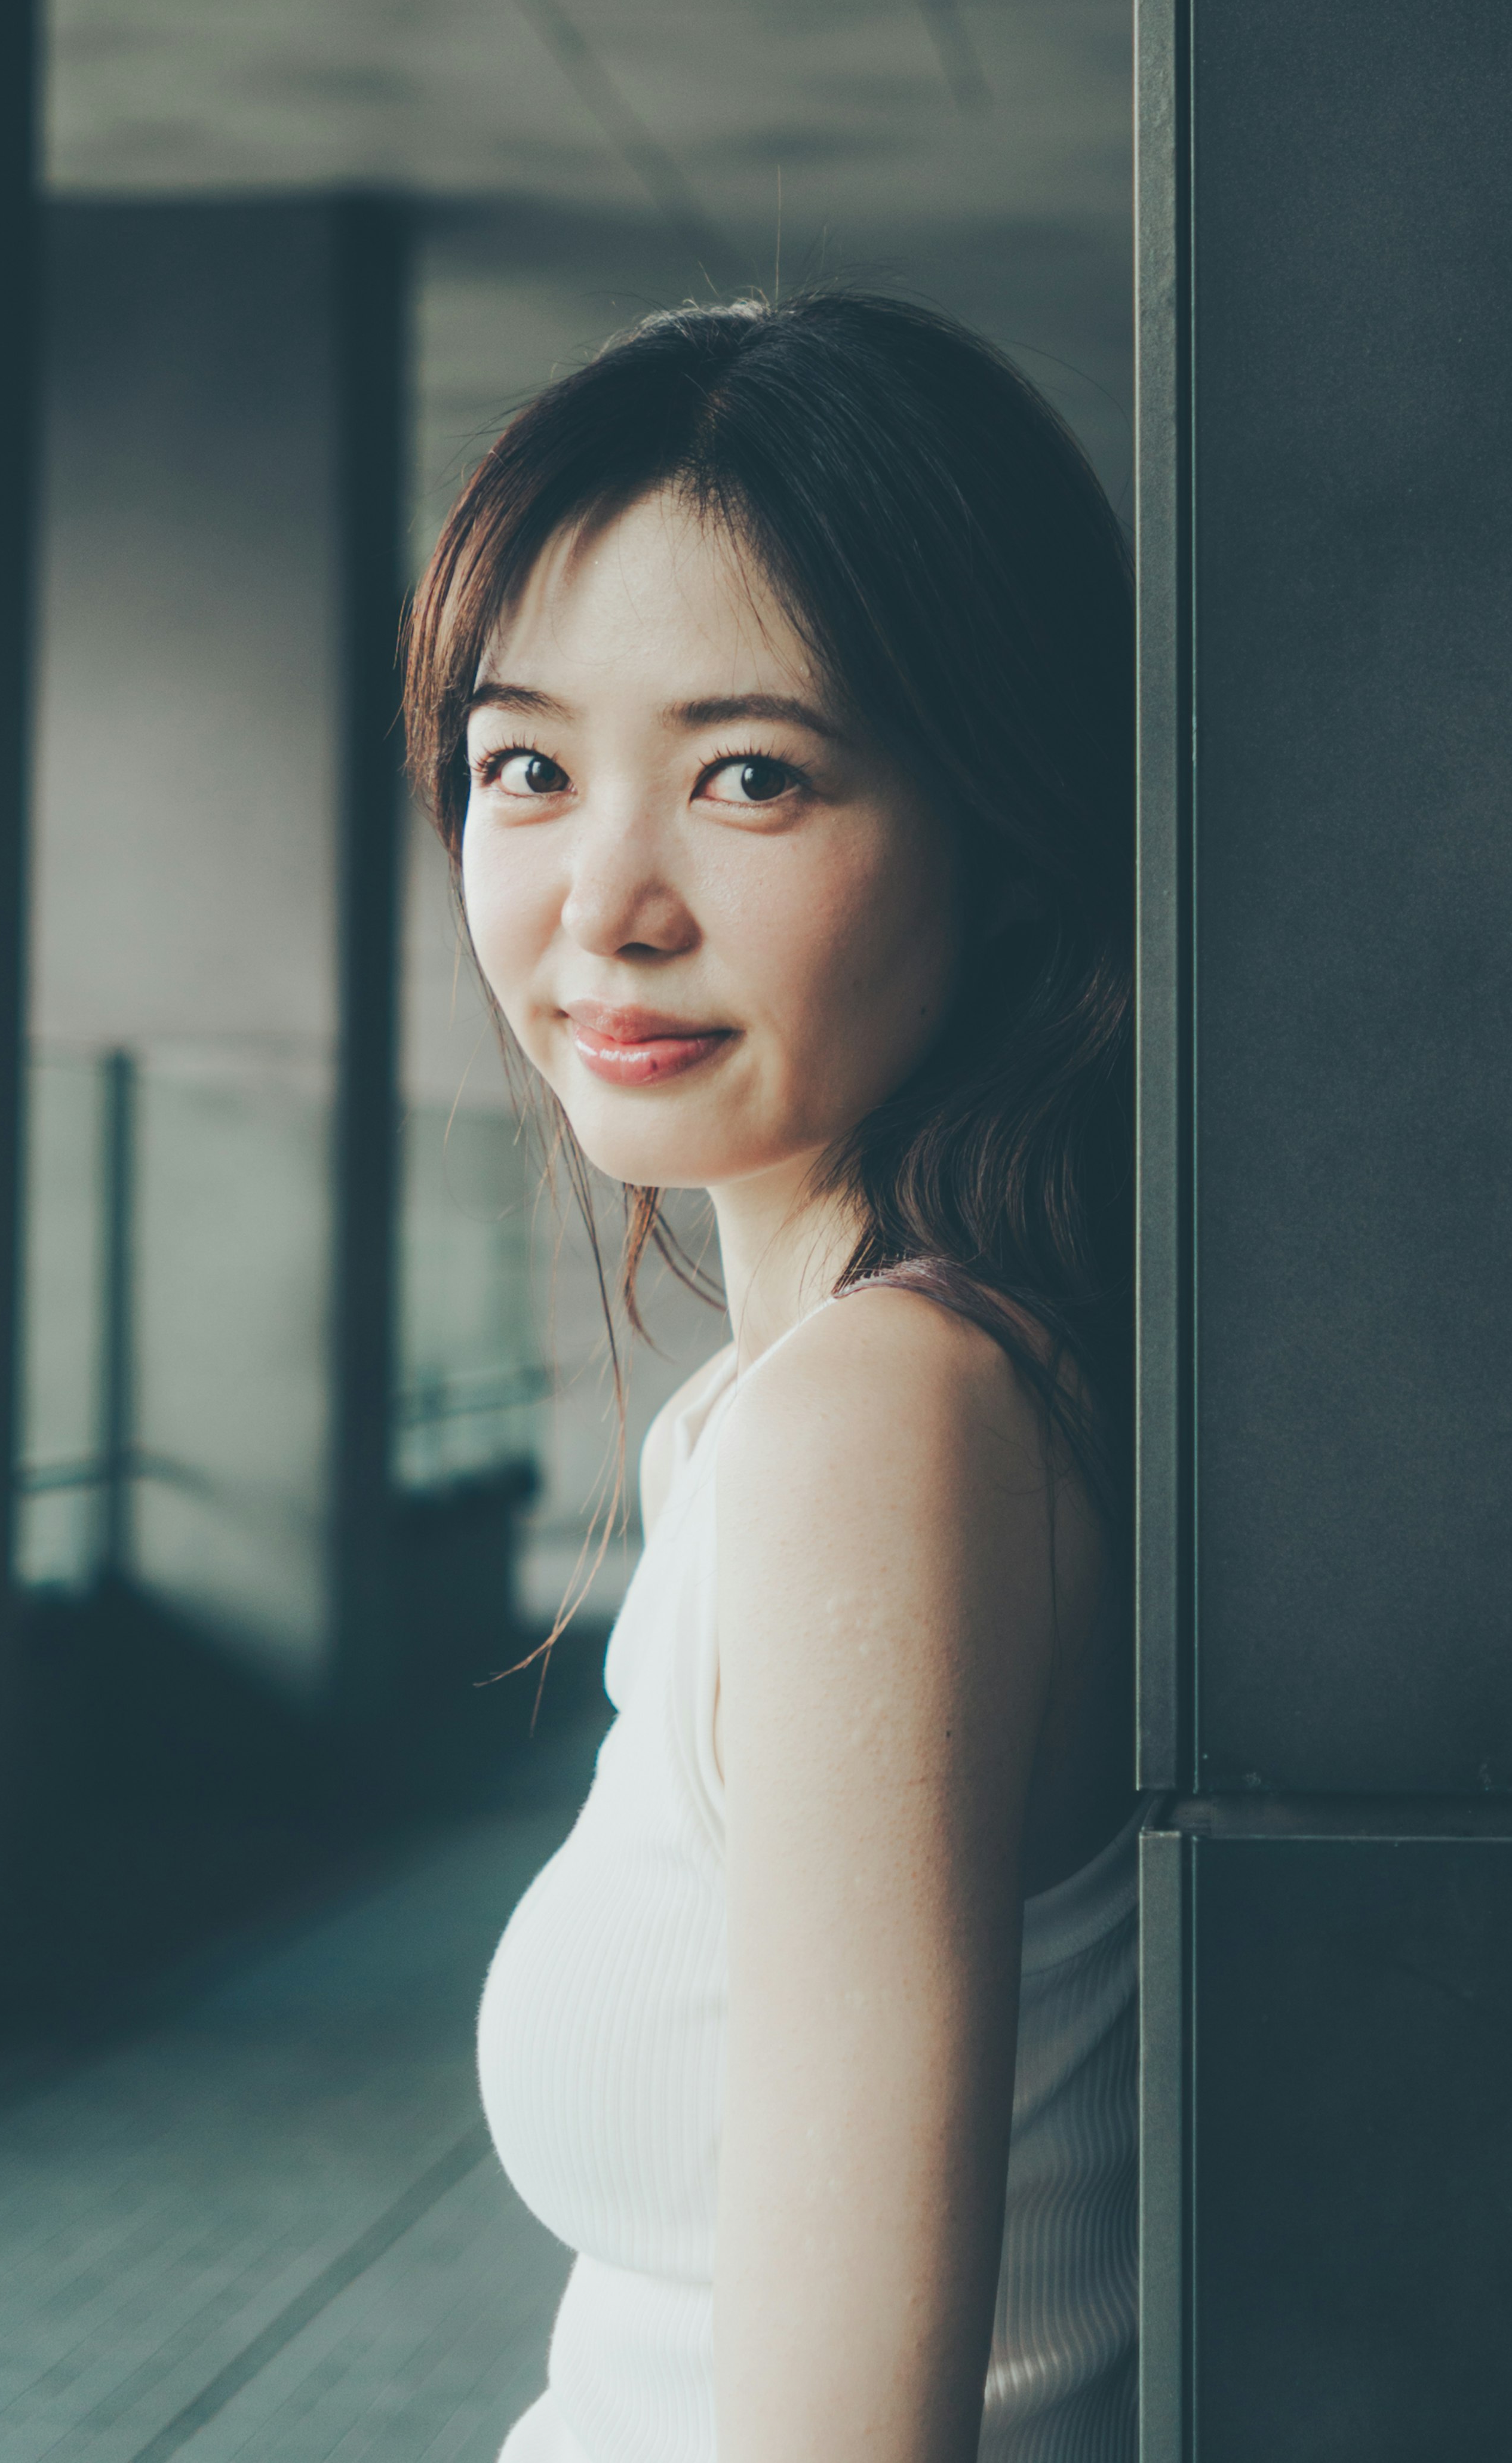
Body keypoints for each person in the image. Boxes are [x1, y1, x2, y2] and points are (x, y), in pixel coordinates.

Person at [401, 291, 1141, 2463]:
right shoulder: (845, 1394)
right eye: (525, 767)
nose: (603, 901)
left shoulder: (888, 1424)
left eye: (753, 777)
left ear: (1003, 838)